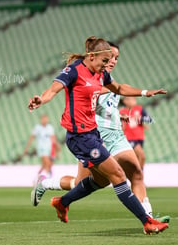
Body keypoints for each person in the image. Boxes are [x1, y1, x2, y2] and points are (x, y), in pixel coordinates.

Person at [27, 36, 169, 234]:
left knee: (101, 181)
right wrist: (40, 100)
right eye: (105, 60)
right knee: (118, 175)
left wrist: (145, 92)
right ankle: (147, 221)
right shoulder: (74, 71)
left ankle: (63, 202)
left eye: (112, 59)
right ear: (92, 56)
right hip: (79, 137)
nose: (108, 64)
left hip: (93, 134)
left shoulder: (100, 74)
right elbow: (53, 90)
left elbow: (119, 88)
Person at [120, 97, 153, 170]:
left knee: (137, 159)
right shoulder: (122, 112)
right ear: (125, 101)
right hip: (129, 138)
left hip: (140, 137)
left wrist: (140, 118)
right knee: (142, 156)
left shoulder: (140, 109)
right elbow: (121, 126)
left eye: (134, 99)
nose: (134, 100)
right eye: (131, 99)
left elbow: (150, 119)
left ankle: (135, 176)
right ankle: (139, 175)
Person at [24, 114, 59, 179]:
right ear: (41, 119)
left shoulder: (50, 127)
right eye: (43, 119)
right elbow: (32, 137)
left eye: (46, 119)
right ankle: (47, 177)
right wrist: (27, 148)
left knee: (45, 164)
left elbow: (53, 138)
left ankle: (38, 176)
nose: (45, 120)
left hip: (49, 148)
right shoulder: (37, 128)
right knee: (47, 162)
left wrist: (57, 147)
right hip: (41, 148)